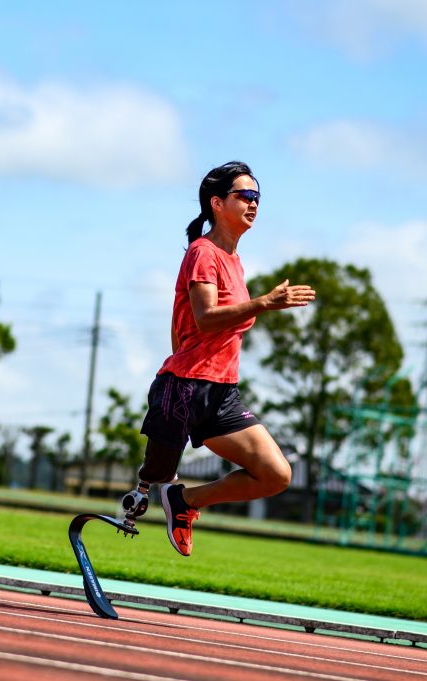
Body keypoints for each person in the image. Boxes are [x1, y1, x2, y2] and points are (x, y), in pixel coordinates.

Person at [120, 161, 315, 557]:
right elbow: (205, 319)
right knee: (154, 474)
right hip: (185, 387)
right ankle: (148, 497)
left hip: (222, 394)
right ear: (217, 203)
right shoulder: (203, 253)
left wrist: (257, 305)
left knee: (277, 475)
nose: (254, 203)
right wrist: (264, 303)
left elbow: (191, 328)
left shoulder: (234, 262)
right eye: (245, 195)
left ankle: (185, 502)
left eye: (257, 197)